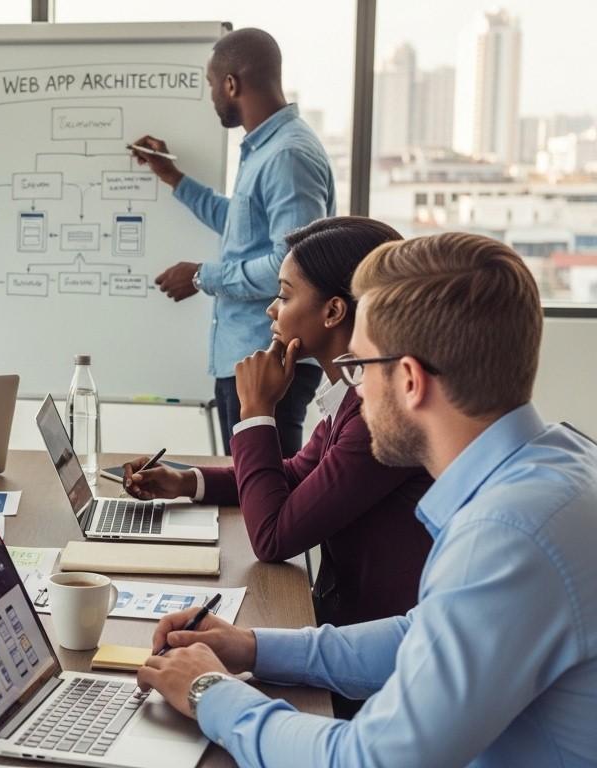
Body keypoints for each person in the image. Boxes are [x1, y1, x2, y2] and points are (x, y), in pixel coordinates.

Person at [136, 233, 597, 766]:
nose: (354, 390)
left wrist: (208, 693)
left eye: (359, 367)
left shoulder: (505, 536)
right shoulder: (559, 465)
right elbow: (418, 634)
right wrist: (253, 646)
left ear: (408, 380)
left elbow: (368, 759)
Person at [123, 217, 434, 717]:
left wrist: (256, 411)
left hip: (374, 673)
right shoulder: (354, 400)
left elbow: (272, 536)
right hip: (340, 633)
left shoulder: (381, 418)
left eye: (285, 296)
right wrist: (188, 482)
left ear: (334, 311)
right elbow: (293, 476)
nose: (272, 309)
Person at [131, 27, 334, 456]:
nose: (210, 96)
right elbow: (241, 225)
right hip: (249, 360)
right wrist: (174, 179)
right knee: (248, 495)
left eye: (210, 84)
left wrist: (203, 276)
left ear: (230, 83)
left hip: (270, 365)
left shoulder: (286, 155)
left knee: (262, 499)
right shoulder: (265, 150)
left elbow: (290, 264)